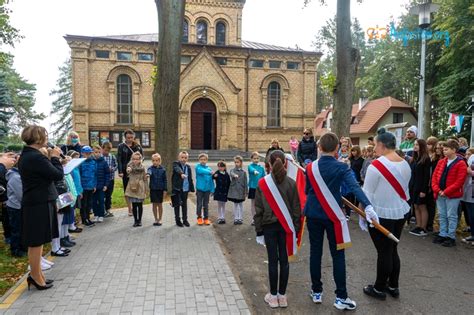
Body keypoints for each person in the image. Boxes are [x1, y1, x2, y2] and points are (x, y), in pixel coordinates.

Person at [304, 132, 376, 311]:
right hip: (332, 216)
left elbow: (307, 190)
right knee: (338, 256)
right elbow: (354, 187)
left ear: (319, 147)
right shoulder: (342, 167)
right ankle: (341, 296)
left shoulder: (310, 167)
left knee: (315, 252)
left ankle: (316, 291)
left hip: (313, 213)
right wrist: (367, 206)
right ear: (337, 148)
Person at [361, 128, 411, 300]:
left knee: (384, 251)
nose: (374, 149)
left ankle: (379, 288)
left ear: (381, 145)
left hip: (381, 213)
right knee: (392, 249)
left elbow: (367, 194)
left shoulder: (376, 166)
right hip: (401, 211)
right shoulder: (405, 163)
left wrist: (363, 215)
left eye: (375, 145)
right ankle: (393, 285)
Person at [18, 125, 64, 290]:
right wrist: (55, 158)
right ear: (38, 138)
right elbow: (58, 175)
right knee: (36, 242)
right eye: (45, 134)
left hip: (37, 202)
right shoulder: (36, 157)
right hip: (38, 203)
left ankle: (37, 274)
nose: (47, 137)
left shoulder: (29, 155)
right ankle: (36, 276)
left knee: (36, 242)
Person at [254, 150, 301, 309]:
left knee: (272, 261)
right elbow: (296, 209)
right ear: (285, 162)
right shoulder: (291, 183)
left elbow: (258, 209)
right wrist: (296, 229)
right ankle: (282, 296)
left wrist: (258, 230)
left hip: (269, 226)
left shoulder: (262, 183)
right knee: (285, 261)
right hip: (286, 228)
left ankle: (273, 296)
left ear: (269, 163)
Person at [431, 139, 467, 247]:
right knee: (442, 214)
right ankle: (443, 233)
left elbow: (459, 181)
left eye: (446, 149)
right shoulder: (441, 161)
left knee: (451, 215)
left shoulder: (461, 163)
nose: (444, 151)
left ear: (454, 150)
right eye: (443, 149)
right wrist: (438, 190)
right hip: (440, 194)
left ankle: (451, 236)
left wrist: (446, 191)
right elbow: (434, 177)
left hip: (452, 195)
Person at [117, 129, 143, 216]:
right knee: (127, 190)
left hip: (136, 172)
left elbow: (141, 158)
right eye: (128, 137)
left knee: (136, 188)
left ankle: (136, 206)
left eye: (131, 137)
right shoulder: (121, 146)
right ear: (125, 137)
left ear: (134, 137)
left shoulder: (137, 146)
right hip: (126, 172)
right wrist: (120, 171)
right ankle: (129, 208)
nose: (130, 139)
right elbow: (119, 159)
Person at [408, 139, 431, 236]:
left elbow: (426, 176)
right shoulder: (414, 158)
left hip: (421, 186)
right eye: (414, 144)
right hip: (413, 186)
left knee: (422, 206)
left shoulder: (426, 159)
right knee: (415, 206)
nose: (415, 146)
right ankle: (418, 225)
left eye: (417, 144)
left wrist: (423, 190)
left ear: (422, 146)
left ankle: (423, 227)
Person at [6, 154, 25, 257]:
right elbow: (20, 194)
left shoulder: (18, 175)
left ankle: (22, 246)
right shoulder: (15, 177)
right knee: (16, 229)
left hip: (19, 206)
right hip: (15, 207)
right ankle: (15, 250)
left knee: (21, 228)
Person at [171, 151, 195, 227]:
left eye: (185, 158)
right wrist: (181, 173)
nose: (184, 159)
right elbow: (177, 169)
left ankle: (185, 220)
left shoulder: (188, 167)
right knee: (177, 205)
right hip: (177, 188)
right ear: (179, 158)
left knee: (184, 205)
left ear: (187, 158)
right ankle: (178, 220)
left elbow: (190, 178)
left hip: (185, 189)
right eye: (182, 157)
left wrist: (192, 189)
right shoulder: (176, 164)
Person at [125, 152, 148, 227]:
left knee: (140, 205)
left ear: (140, 160)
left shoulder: (143, 167)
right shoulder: (130, 166)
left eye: (137, 159)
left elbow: (145, 178)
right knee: (134, 205)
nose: (135, 160)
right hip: (132, 187)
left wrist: (146, 188)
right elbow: (128, 171)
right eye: (133, 159)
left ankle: (140, 220)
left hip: (140, 187)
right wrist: (128, 170)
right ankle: (135, 221)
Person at [147, 153, 167, 226]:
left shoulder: (163, 170)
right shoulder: (150, 168)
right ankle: (156, 219)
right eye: (153, 161)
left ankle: (160, 219)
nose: (155, 162)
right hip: (153, 189)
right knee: (154, 205)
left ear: (160, 161)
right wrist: (148, 174)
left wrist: (165, 190)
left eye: (156, 160)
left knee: (160, 205)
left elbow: (165, 180)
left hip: (160, 190)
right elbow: (149, 172)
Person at [66, 150, 83, 233]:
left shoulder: (76, 168)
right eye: (75, 159)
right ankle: (71, 226)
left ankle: (73, 224)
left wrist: (80, 191)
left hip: (77, 192)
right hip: (72, 192)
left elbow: (78, 181)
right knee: (71, 209)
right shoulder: (70, 170)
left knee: (74, 209)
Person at [195, 153, 214, 226]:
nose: (203, 161)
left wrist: (212, 190)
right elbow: (201, 171)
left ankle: (206, 218)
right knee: (199, 204)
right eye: (201, 159)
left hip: (207, 190)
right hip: (200, 189)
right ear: (199, 160)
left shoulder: (209, 168)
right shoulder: (198, 167)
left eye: (204, 159)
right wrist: (209, 172)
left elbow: (211, 180)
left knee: (206, 204)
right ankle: (199, 217)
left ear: (207, 160)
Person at [92, 145, 110, 223]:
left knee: (101, 201)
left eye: (99, 152)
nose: (97, 154)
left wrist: (106, 185)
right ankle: (96, 215)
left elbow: (107, 174)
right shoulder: (91, 162)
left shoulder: (104, 162)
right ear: (93, 153)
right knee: (94, 201)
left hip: (101, 185)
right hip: (93, 186)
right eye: (96, 152)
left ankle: (101, 215)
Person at [79, 146, 96, 227]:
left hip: (91, 186)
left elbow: (94, 175)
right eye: (86, 153)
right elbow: (78, 176)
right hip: (83, 187)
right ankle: (84, 219)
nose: (88, 155)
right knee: (84, 204)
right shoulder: (80, 163)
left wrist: (94, 185)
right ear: (82, 153)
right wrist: (80, 188)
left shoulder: (93, 162)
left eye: (89, 153)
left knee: (89, 203)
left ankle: (88, 218)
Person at [426, 136, 441, 232]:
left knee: (431, 205)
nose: (428, 146)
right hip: (426, 182)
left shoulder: (437, 157)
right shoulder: (426, 155)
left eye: (430, 144)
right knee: (426, 204)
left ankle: (430, 223)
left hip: (434, 183)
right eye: (427, 144)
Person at [0, 152, 15, 245]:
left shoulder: (3, 167)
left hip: (5, 197)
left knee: (7, 217)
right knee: (7, 218)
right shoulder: (1, 168)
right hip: (5, 198)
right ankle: (9, 237)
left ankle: (9, 236)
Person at [228, 155, 248, 225]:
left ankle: (240, 218)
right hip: (235, 191)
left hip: (241, 190)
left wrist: (246, 192)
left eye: (238, 162)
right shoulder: (232, 170)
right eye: (235, 162)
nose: (236, 164)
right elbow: (231, 174)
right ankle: (236, 218)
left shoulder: (244, 172)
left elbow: (245, 182)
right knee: (236, 205)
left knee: (241, 205)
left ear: (241, 163)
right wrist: (234, 175)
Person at [248, 152, 265, 225]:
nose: (256, 160)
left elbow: (264, 177)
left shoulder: (261, 168)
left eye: (257, 158)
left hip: (260, 188)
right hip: (253, 187)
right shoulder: (250, 166)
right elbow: (251, 169)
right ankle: (253, 219)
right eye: (254, 158)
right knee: (253, 203)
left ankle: (260, 218)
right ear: (251, 159)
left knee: (260, 204)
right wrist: (254, 171)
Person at [461, 148, 474, 245]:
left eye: (469, 154)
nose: (466, 156)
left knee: (472, 213)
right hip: (468, 192)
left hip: (471, 193)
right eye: (466, 154)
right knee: (470, 213)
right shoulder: (467, 163)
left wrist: (470, 171)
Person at [102, 142, 117, 218]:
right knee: (102, 195)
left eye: (108, 151)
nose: (107, 152)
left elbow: (115, 165)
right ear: (102, 149)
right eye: (105, 150)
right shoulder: (100, 157)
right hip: (103, 180)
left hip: (111, 179)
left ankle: (108, 209)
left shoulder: (112, 157)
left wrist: (113, 169)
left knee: (109, 195)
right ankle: (103, 210)